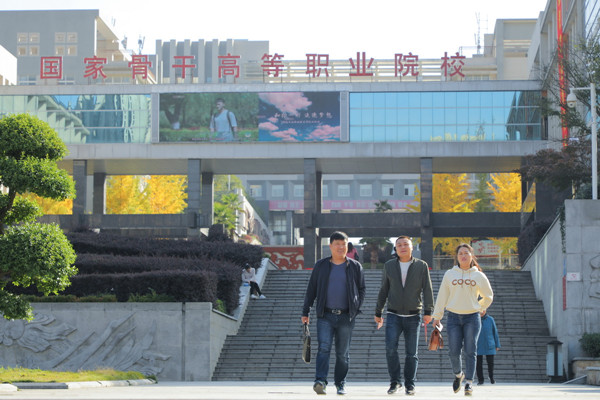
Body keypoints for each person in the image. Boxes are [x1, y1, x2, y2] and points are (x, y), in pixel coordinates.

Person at [301, 231, 366, 396]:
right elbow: (311, 289)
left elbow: (362, 289)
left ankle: (340, 383)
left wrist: (356, 306)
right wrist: (306, 311)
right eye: (337, 244)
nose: (340, 247)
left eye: (343, 244)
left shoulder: (355, 266)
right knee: (323, 348)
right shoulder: (321, 266)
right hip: (325, 315)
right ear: (330, 246)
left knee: (343, 353)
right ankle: (320, 381)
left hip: (346, 316)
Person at [374, 236, 434, 396]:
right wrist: (378, 311)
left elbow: (427, 289)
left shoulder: (421, 266)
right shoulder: (389, 265)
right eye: (399, 245)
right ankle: (395, 382)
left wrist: (428, 311)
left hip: (414, 315)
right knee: (390, 349)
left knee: (411, 353)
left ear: (412, 247)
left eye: (405, 244)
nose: (402, 247)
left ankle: (410, 384)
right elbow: (384, 289)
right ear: (395, 249)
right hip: (393, 314)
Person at [431, 243, 493, 396]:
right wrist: (437, 316)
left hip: (472, 317)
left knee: (471, 350)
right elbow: (442, 296)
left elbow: (488, 295)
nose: (463, 256)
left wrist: (481, 307)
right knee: (453, 351)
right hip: (453, 317)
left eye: (466, 253)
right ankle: (459, 375)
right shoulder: (449, 274)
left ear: (472, 256)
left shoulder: (479, 275)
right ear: (457, 257)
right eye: (460, 253)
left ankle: (469, 383)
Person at [476, 310, 500, 385]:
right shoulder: (474, 319)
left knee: (490, 363)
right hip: (478, 344)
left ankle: (491, 377)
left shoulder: (490, 319)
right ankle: (480, 380)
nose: (481, 312)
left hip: (489, 344)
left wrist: (497, 344)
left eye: (483, 310)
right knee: (478, 364)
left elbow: (495, 332)